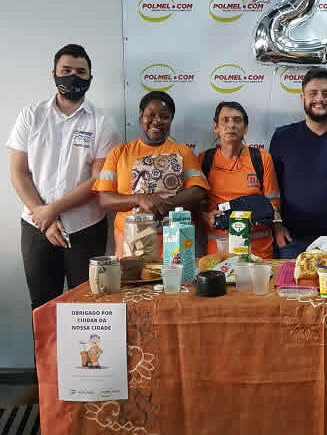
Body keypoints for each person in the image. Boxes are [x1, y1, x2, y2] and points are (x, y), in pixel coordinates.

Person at [6, 44, 119, 309]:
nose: (73, 77)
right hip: (36, 226)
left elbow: (98, 180)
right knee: (42, 305)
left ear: (90, 78)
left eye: (80, 72)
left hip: (85, 227)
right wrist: (43, 216)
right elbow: (19, 172)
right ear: (54, 74)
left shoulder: (102, 122)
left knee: (86, 306)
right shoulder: (31, 116)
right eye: (66, 70)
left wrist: (52, 211)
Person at [93, 91, 208, 256]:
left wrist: (164, 204)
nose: (157, 120)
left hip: (176, 243)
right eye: (151, 115)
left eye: (164, 116)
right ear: (141, 116)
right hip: (131, 244)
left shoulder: (183, 152)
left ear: (171, 120)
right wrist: (139, 199)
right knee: (134, 274)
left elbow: (198, 190)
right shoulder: (120, 152)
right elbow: (104, 199)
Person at [270, 68, 327, 258]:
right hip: (292, 241)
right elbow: (271, 189)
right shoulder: (282, 137)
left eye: (326, 94)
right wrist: (277, 226)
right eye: (313, 93)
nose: (320, 99)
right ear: (302, 98)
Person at [199, 101, 281, 258]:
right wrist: (206, 217)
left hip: (258, 253)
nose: (231, 125)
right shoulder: (204, 160)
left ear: (245, 128)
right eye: (225, 120)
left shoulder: (261, 158)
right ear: (216, 127)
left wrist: (277, 227)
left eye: (237, 120)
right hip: (218, 255)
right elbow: (196, 206)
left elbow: (274, 204)